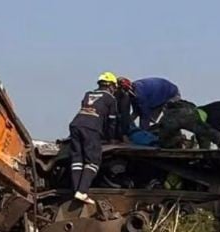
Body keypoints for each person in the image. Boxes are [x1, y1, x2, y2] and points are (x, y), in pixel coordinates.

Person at [68, 72, 119, 205]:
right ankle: (82, 191)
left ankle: (76, 191)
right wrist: (111, 138)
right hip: (91, 128)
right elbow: (111, 122)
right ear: (111, 86)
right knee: (93, 161)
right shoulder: (110, 99)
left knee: (77, 159)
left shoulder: (88, 94)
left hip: (76, 124)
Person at [117, 77, 181, 131]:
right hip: (158, 93)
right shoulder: (134, 90)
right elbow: (136, 112)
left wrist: (142, 132)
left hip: (171, 93)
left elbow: (145, 115)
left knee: (169, 120)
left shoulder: (140, 95)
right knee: (147, 117)